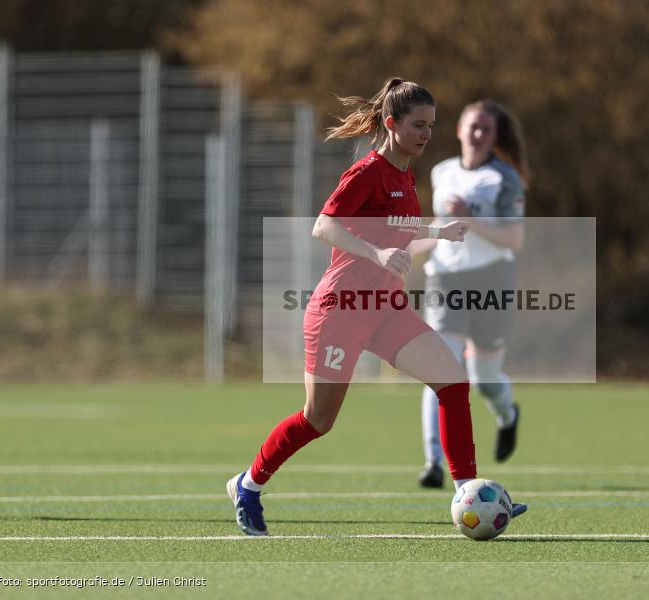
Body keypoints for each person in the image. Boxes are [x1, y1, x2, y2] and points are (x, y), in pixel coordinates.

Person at [226, 78, 527, 536]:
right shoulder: (367, 172)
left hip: (385, 307)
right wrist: (378, 254)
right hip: (341, 308)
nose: (426, 134)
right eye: (418, 125)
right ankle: (248, 486)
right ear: (391, 123)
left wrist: (437, 233)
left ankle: (468, 493)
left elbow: (396, 230)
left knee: (452, 382)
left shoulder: (406, 176)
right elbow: (324, 227)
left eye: (431, 125)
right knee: (318, 420)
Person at [411, 100, 529, 488]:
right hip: (446, 278)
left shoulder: (504, 178)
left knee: (484, 378)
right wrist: (408, 251)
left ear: (495, 136)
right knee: (441, 366)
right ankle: (434, 462)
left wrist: (471, 220)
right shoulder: (442, 172)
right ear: (459, 130)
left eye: (486, 129)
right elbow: (442, 226)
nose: (478, 134)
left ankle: (507, 414)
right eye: (472, 126)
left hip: (492, 278)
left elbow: (514, 239)